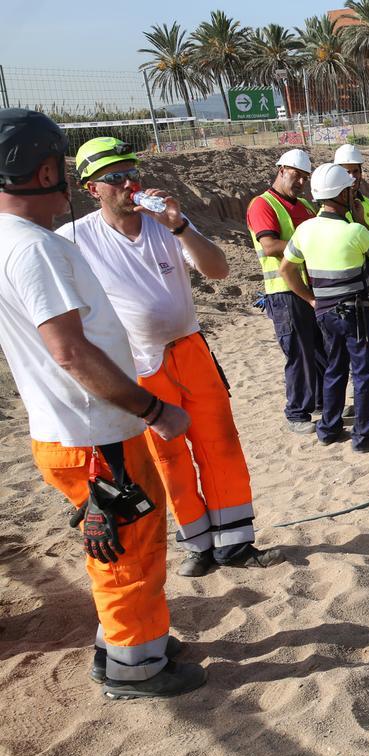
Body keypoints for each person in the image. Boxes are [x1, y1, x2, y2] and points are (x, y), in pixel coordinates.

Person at [0, 109, 205, 698]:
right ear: (44, 172)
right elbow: (70, 352)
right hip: (96, 438)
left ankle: (135, 639)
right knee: (127, 550)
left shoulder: (13, 242)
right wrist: (154, 410)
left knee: (122, 539)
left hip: (76, 431)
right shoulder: (34, 249)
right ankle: (134, 667)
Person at [60, 137, 284, 578]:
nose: (129, 184)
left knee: (220, 444)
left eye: (132, 174)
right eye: (115, 178)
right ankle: (198, 543)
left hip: (191, 350)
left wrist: (180, 226)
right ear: (93, 189)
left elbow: (219, 270)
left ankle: (235, 543)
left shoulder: (164, 223)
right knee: (168, 458)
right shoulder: (74, 238)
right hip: (139, 364)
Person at [282, 164, 369, 453]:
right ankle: (363, 436)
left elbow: (286, 269)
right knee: (365, 372)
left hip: (324, 312)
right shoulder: (354, 231)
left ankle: (329, 429)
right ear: (343, 194)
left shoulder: (304, 230)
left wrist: (310, 298)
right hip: (357, 313)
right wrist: (361, 222)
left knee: (334, 368)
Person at [246, 149, 325, 434]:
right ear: (281, 170)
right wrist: (311, 248)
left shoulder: (305, 205)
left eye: (305, 177)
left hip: (309, 287)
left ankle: (321, 402)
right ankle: (297, 413)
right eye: (296, 175)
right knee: (298, 352)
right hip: (283, 293)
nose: (301, 182)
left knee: (319, 349)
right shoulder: (262, 205)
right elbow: (270, 246)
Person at [333, 144, 369, 231]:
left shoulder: (368, 204)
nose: (352, 176)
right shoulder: (331, 206)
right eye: (347, 172)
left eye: (355, 171)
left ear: (361, 173)